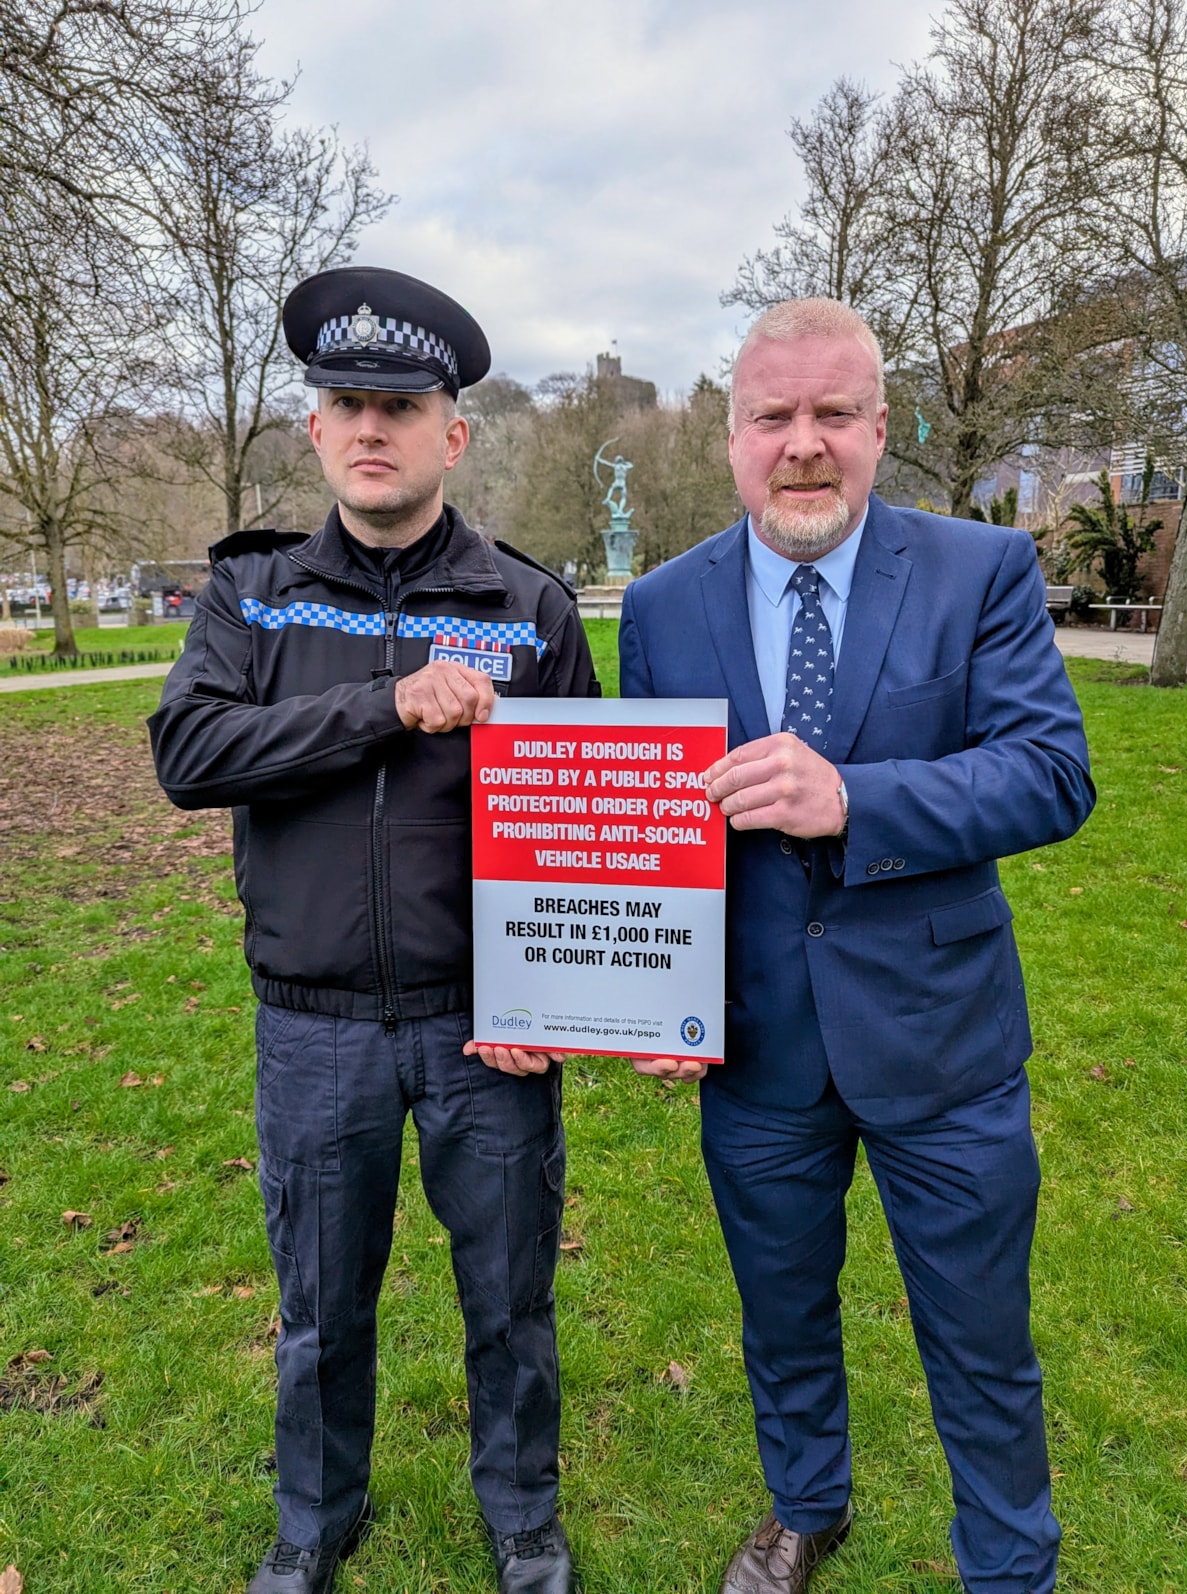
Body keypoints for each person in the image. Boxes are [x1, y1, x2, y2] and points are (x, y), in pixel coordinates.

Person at [618, 298, 1095, 1594]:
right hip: (757, 1047)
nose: (804, 445)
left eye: (834, 413)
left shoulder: (977, 571)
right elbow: (649, 828)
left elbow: (1053, 775)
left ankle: (1009, 1564)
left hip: (943, 1047)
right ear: (731, 438)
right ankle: (805, 1505)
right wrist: (649, 992)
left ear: (884, 428)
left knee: (981, 1342)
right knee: (783, 1321)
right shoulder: (663, 607)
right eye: (774, 416)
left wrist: (858, 800)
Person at [150, 266, 597, 1594]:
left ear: (452, 434)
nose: (372, 426)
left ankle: (522, 1514)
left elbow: (588, 819)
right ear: (314, 429)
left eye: (401, 404)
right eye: (347, 401)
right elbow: (189, 749)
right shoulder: (255, 597)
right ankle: (315, 1516)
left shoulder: (529, 609)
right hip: (315, 1025)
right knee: (320, 1308)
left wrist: (551, 1004)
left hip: (486, 1029)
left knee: (511, 1295)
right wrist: (382, 706)